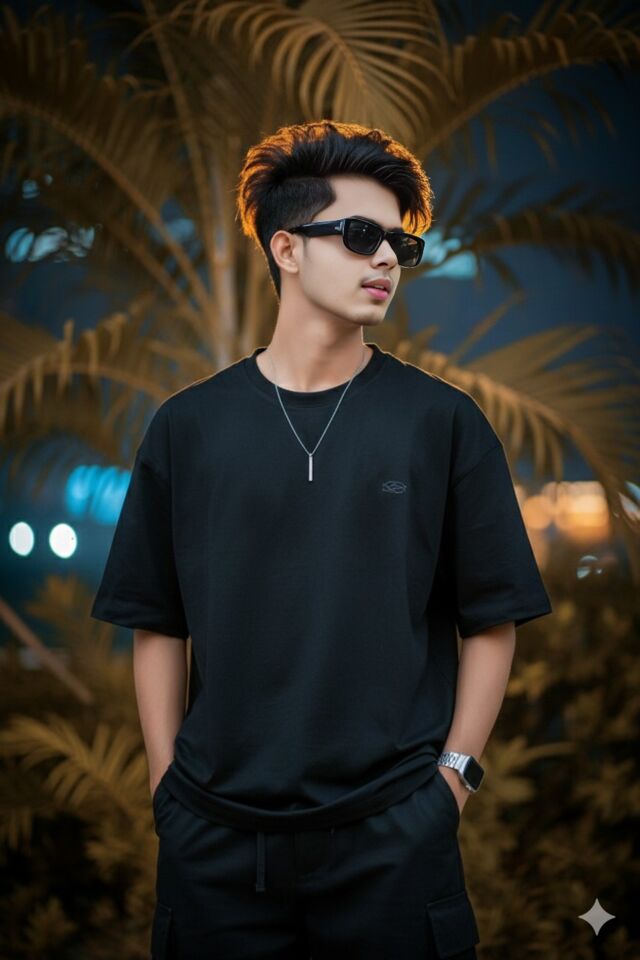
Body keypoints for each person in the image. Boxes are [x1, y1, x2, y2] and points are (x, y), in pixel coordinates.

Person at [91, 120, 553, 959]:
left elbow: (492, 618)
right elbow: (156, 620)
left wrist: (452, 783)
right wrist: (166, 789)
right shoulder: (188, 427)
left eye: (399, 244)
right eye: (360, 234)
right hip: (214, 845)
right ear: (287, 249)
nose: (387, 260)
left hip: (393, 839)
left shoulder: (442, 423)